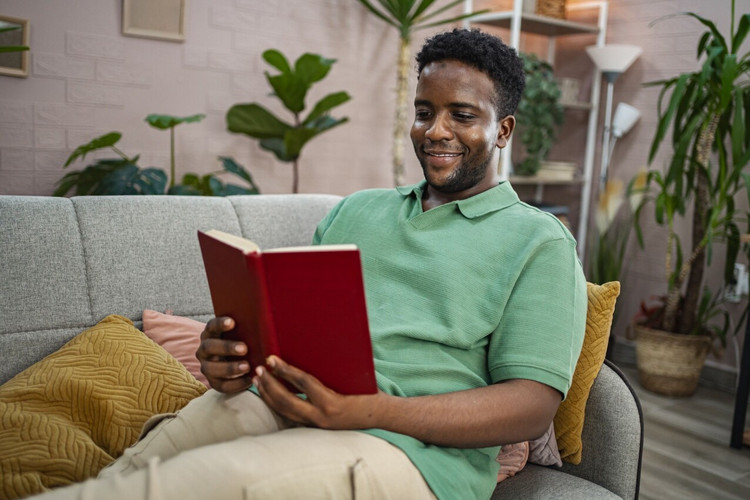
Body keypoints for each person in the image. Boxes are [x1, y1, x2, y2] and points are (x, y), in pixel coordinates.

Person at [33, 28, 586, 500]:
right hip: (284, 401)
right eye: (424, 112)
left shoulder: (537, 241)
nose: (435, 131)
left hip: (412, 451)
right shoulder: (357, 210)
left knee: (207, 482)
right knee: (134, 471)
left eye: (462, 115)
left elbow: (531, 406)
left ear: (503, 131)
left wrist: (369, 411)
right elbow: (291, 329)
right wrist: (232, 357)